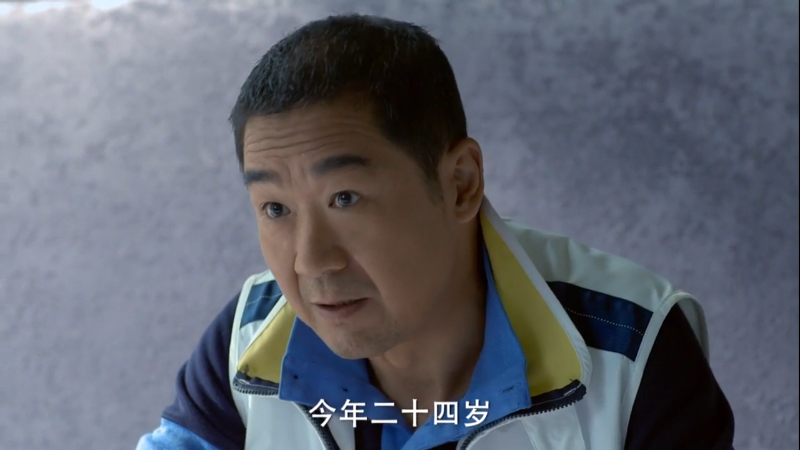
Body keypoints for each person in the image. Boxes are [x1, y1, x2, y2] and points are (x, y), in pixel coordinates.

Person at [136, 14, 735, 450]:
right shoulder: (249, 340)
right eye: (275, 209)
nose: (310, 261)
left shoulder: (631, 350)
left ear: (460, 184)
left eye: (345, 198)